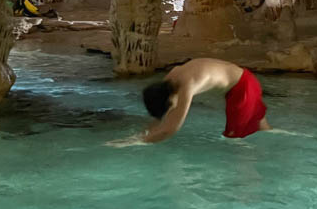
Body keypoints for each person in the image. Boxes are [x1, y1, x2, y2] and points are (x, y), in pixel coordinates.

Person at [110, 58, 270, 146]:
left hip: (243, 88)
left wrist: (136, 142)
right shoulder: (172, 76)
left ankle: (248, 182)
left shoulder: (188, 85)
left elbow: (170, 129)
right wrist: (145, 132)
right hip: (243, 79)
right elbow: (161, 115)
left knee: (236, 141)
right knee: (263, 130)